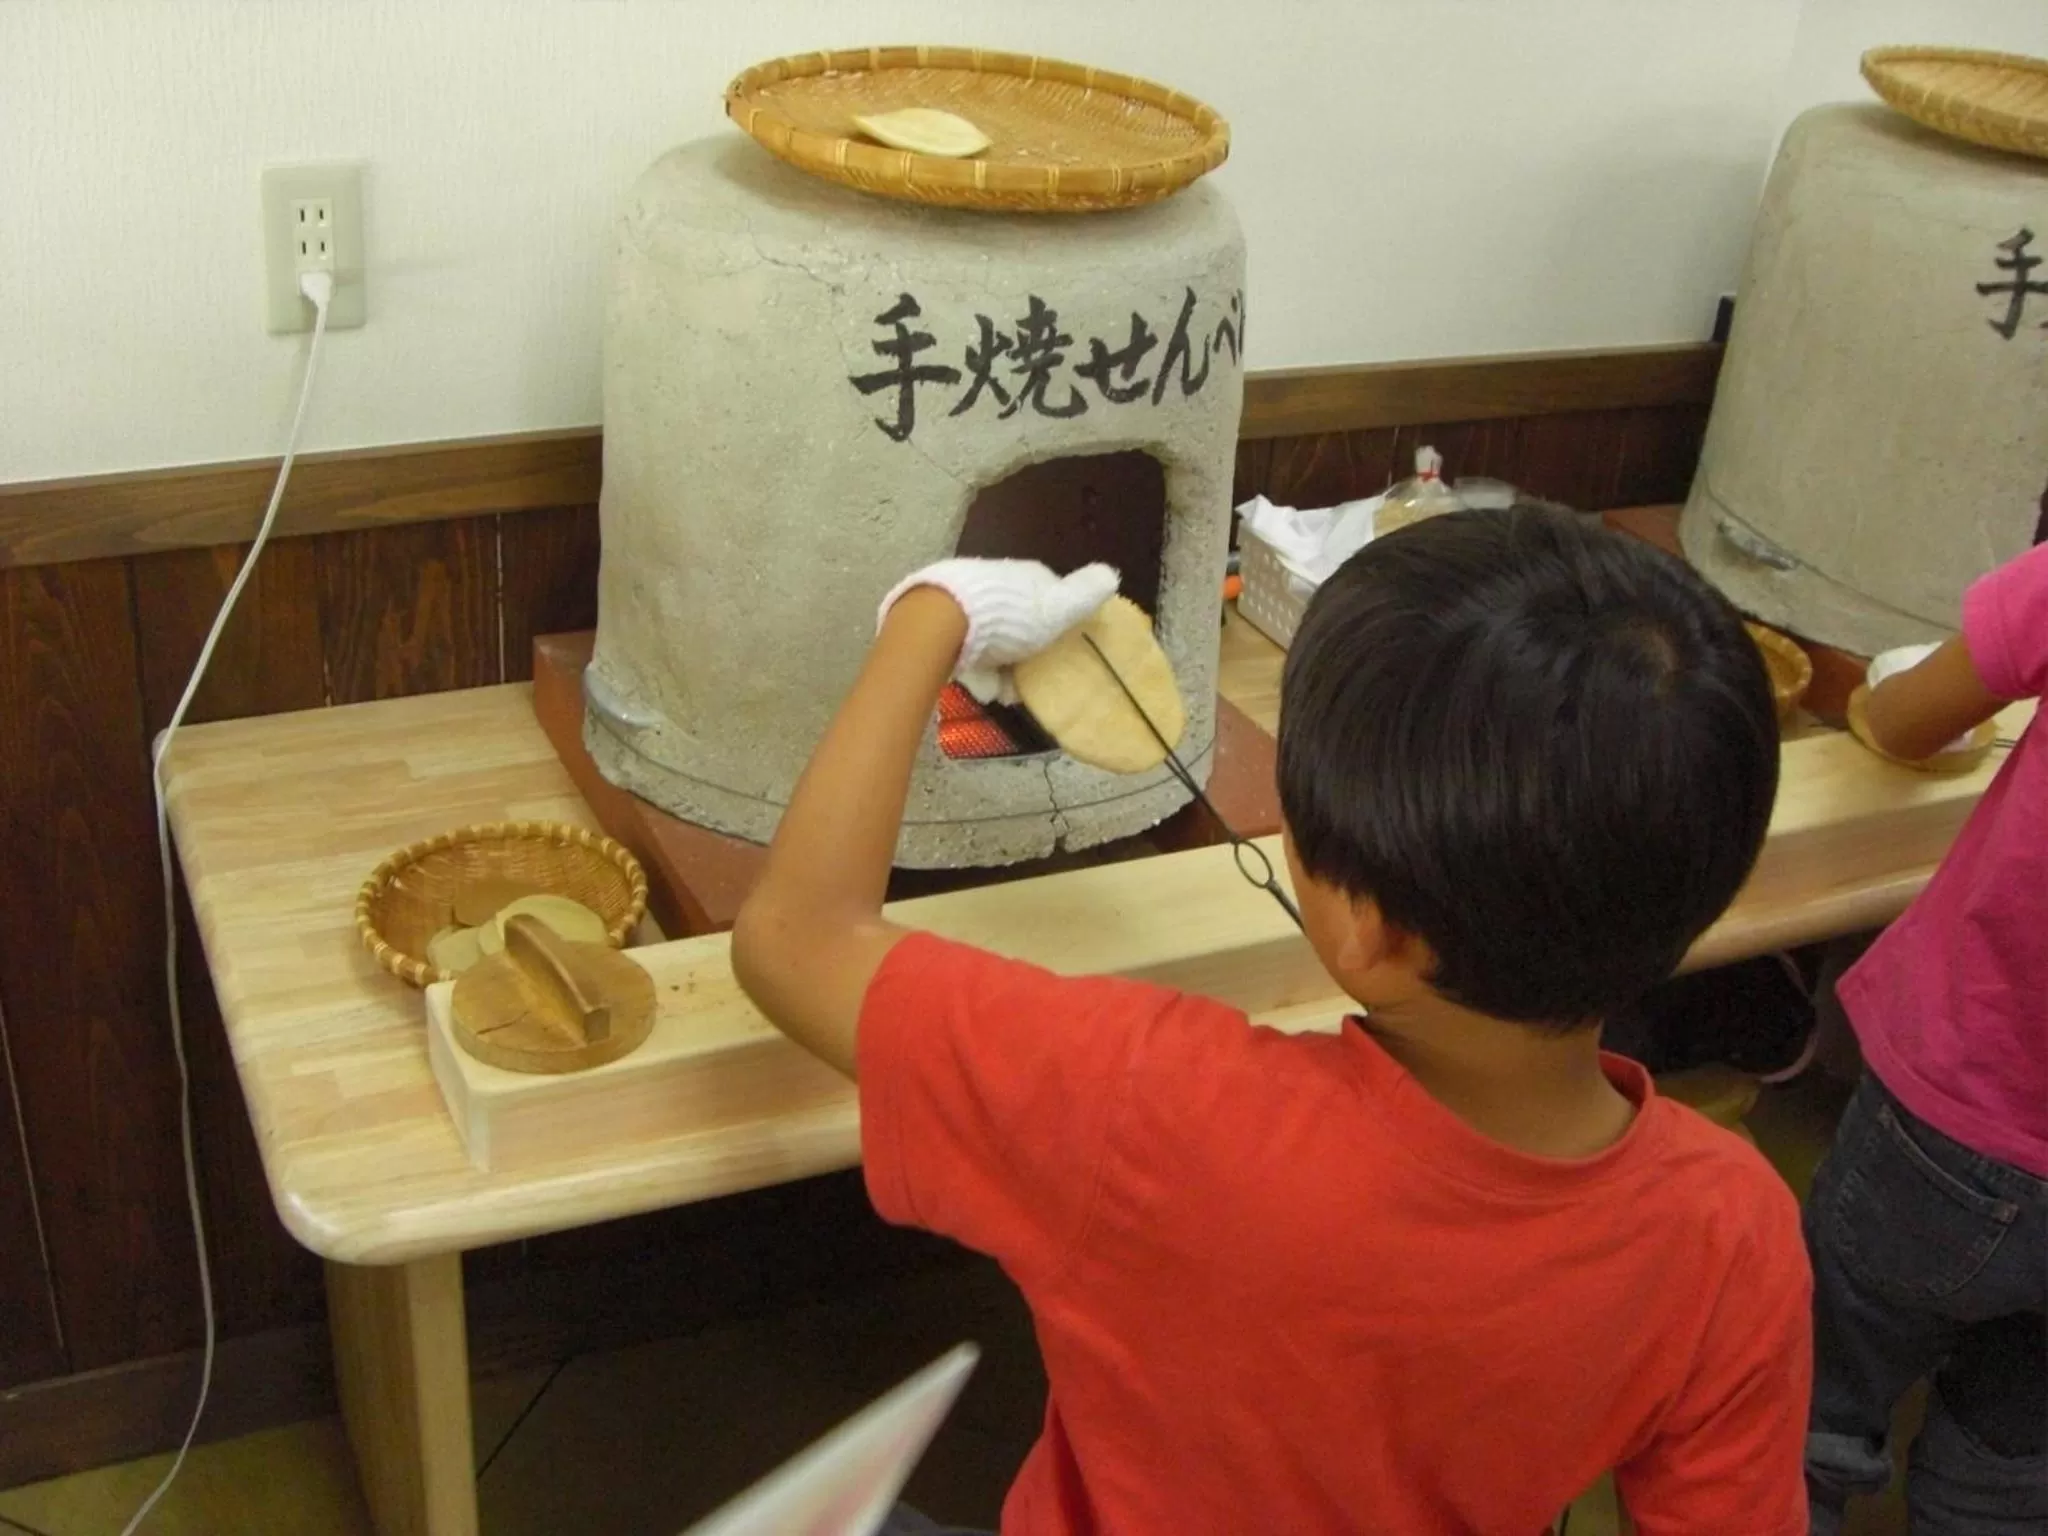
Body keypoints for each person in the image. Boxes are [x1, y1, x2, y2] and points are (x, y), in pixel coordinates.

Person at [731, 506, 1811, 1535]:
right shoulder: (1735, 1233)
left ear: (1370, 935)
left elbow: (793, 938)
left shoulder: (1156, 1107)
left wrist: (939, 612)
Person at [1805, 538, 2048, 1536]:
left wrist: (1870, 705)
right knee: (2008, 1466)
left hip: (1962, 1120)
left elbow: (1906, 718)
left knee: (1804, 1415)